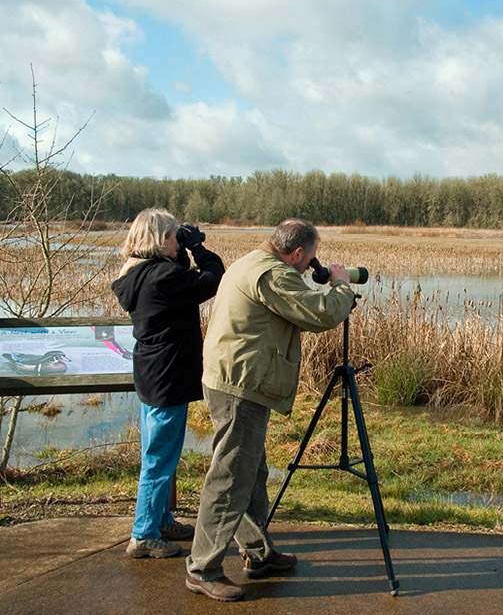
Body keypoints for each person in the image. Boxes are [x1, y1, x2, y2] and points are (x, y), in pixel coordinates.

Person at [185, 218, 356, 601]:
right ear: (296, 253)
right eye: (309, 259)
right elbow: (322, 313)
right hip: (239, 386)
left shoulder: (253, 260)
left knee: (250, 469)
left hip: (233, 378)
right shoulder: (273, 275)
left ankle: (259, 553)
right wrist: (340, 284)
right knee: (230, 476)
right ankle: (202, 567)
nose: (311, 265)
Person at [112, 208, 224, 559]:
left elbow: (185, 280)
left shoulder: (138, 274)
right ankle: (143, 534)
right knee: (159, 458)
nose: (180, 241)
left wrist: (184, 248)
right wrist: (198, 250)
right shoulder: (163, 277)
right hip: (168, 376)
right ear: (161, 239)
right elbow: (212, 278)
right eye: (176, 235)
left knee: (156, 452)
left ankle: (160, 518)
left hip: (151, 373)